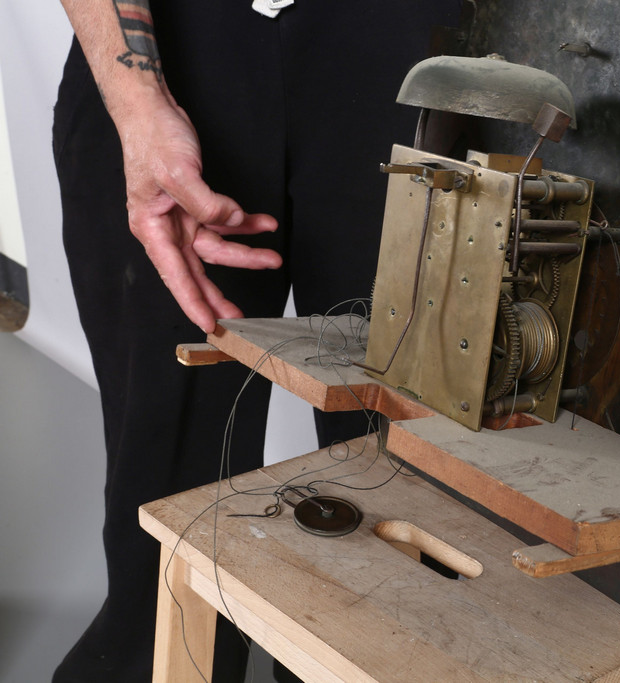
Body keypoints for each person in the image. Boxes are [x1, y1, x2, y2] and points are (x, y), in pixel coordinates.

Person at [52, 1, 461, 680]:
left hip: (416, 48)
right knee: (164, 477)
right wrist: (138, 101)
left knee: (415, 477)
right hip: (170, 52)